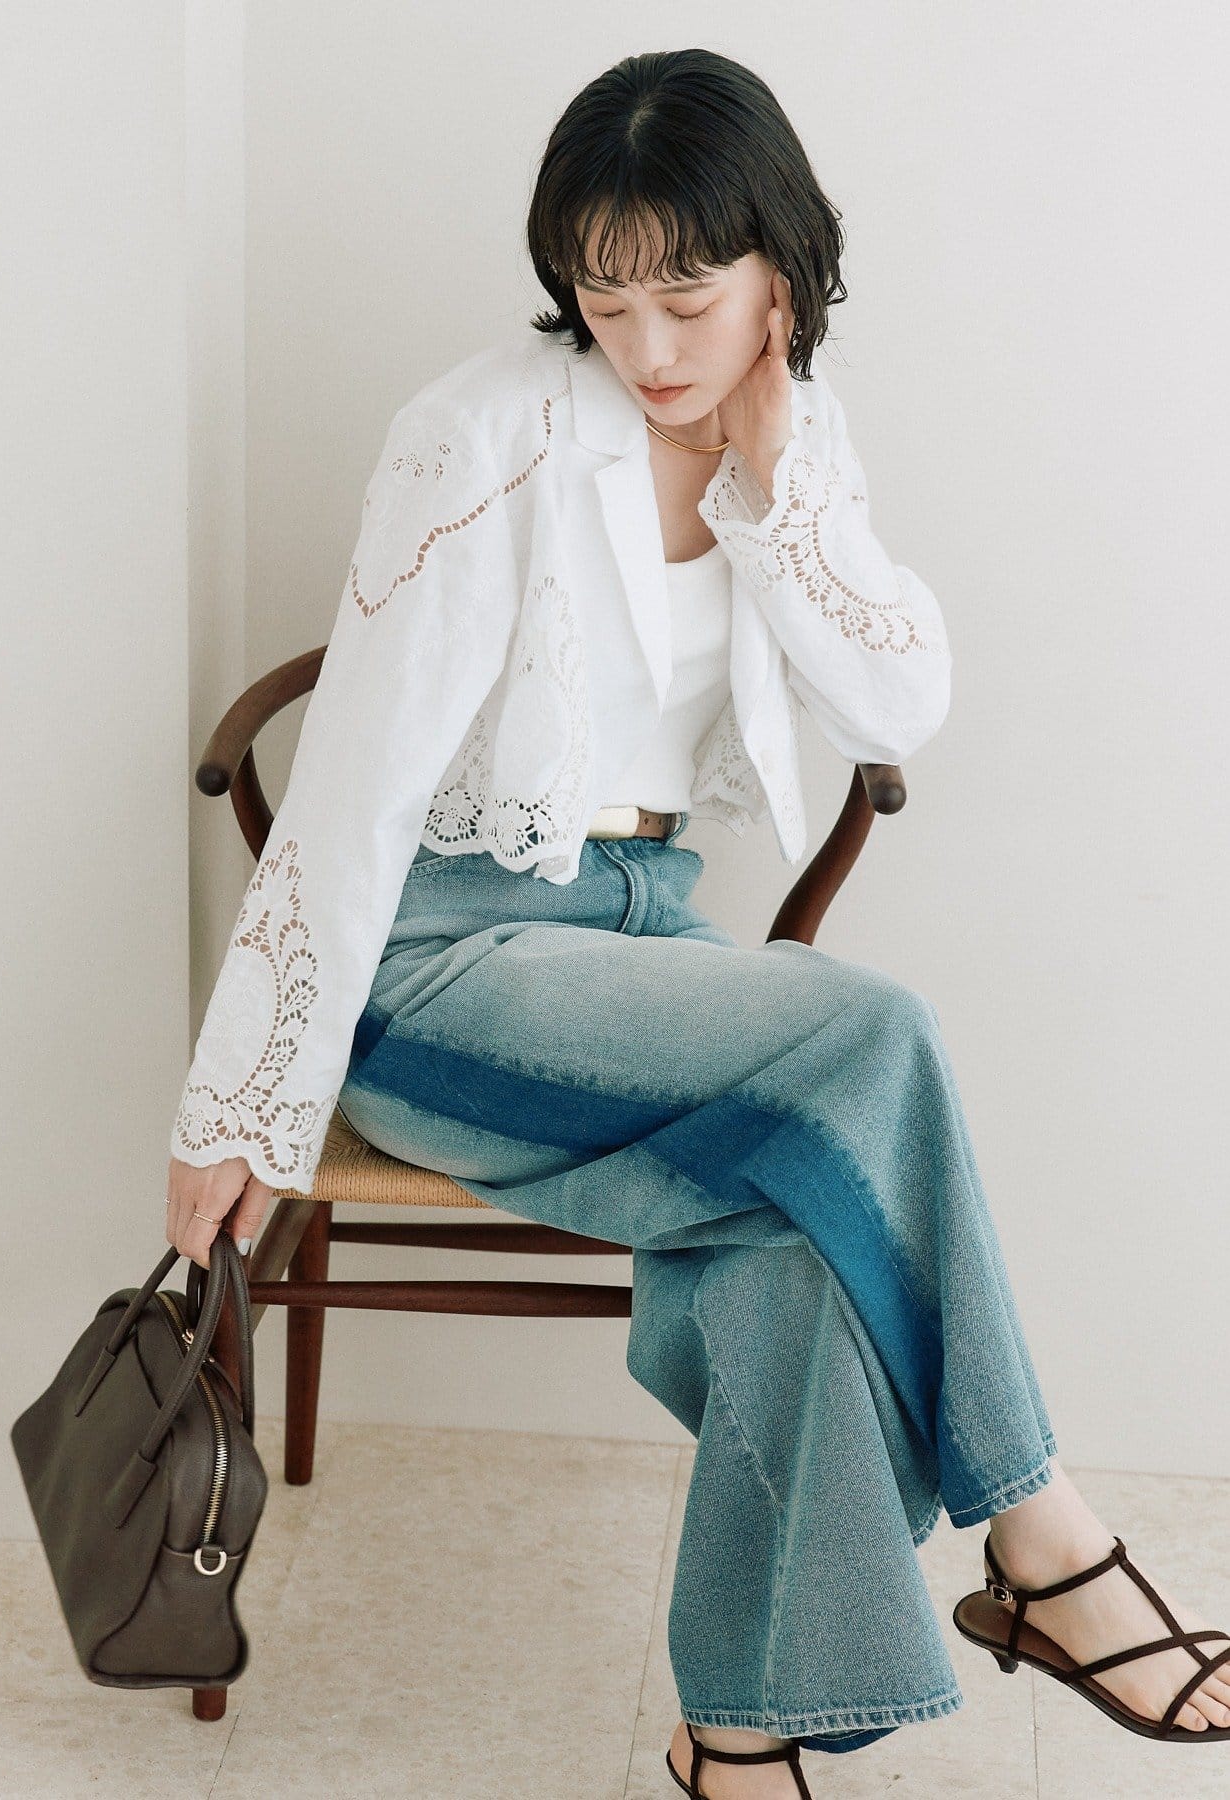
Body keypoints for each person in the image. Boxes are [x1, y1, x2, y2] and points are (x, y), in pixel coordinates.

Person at [165, 47, 1230, 1796]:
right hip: (440, 970)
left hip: (639, 942)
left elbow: (898, 706)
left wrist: (776, 481)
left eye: (688, 297)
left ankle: (733, 1742)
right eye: (605, 300)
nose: (649, 349)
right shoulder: (479, 435)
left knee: (788, 1246)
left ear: (779, 279)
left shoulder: (796, 443)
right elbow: (349, 786)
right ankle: (1045, 1536)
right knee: (872, 1032)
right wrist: (236, 1103)